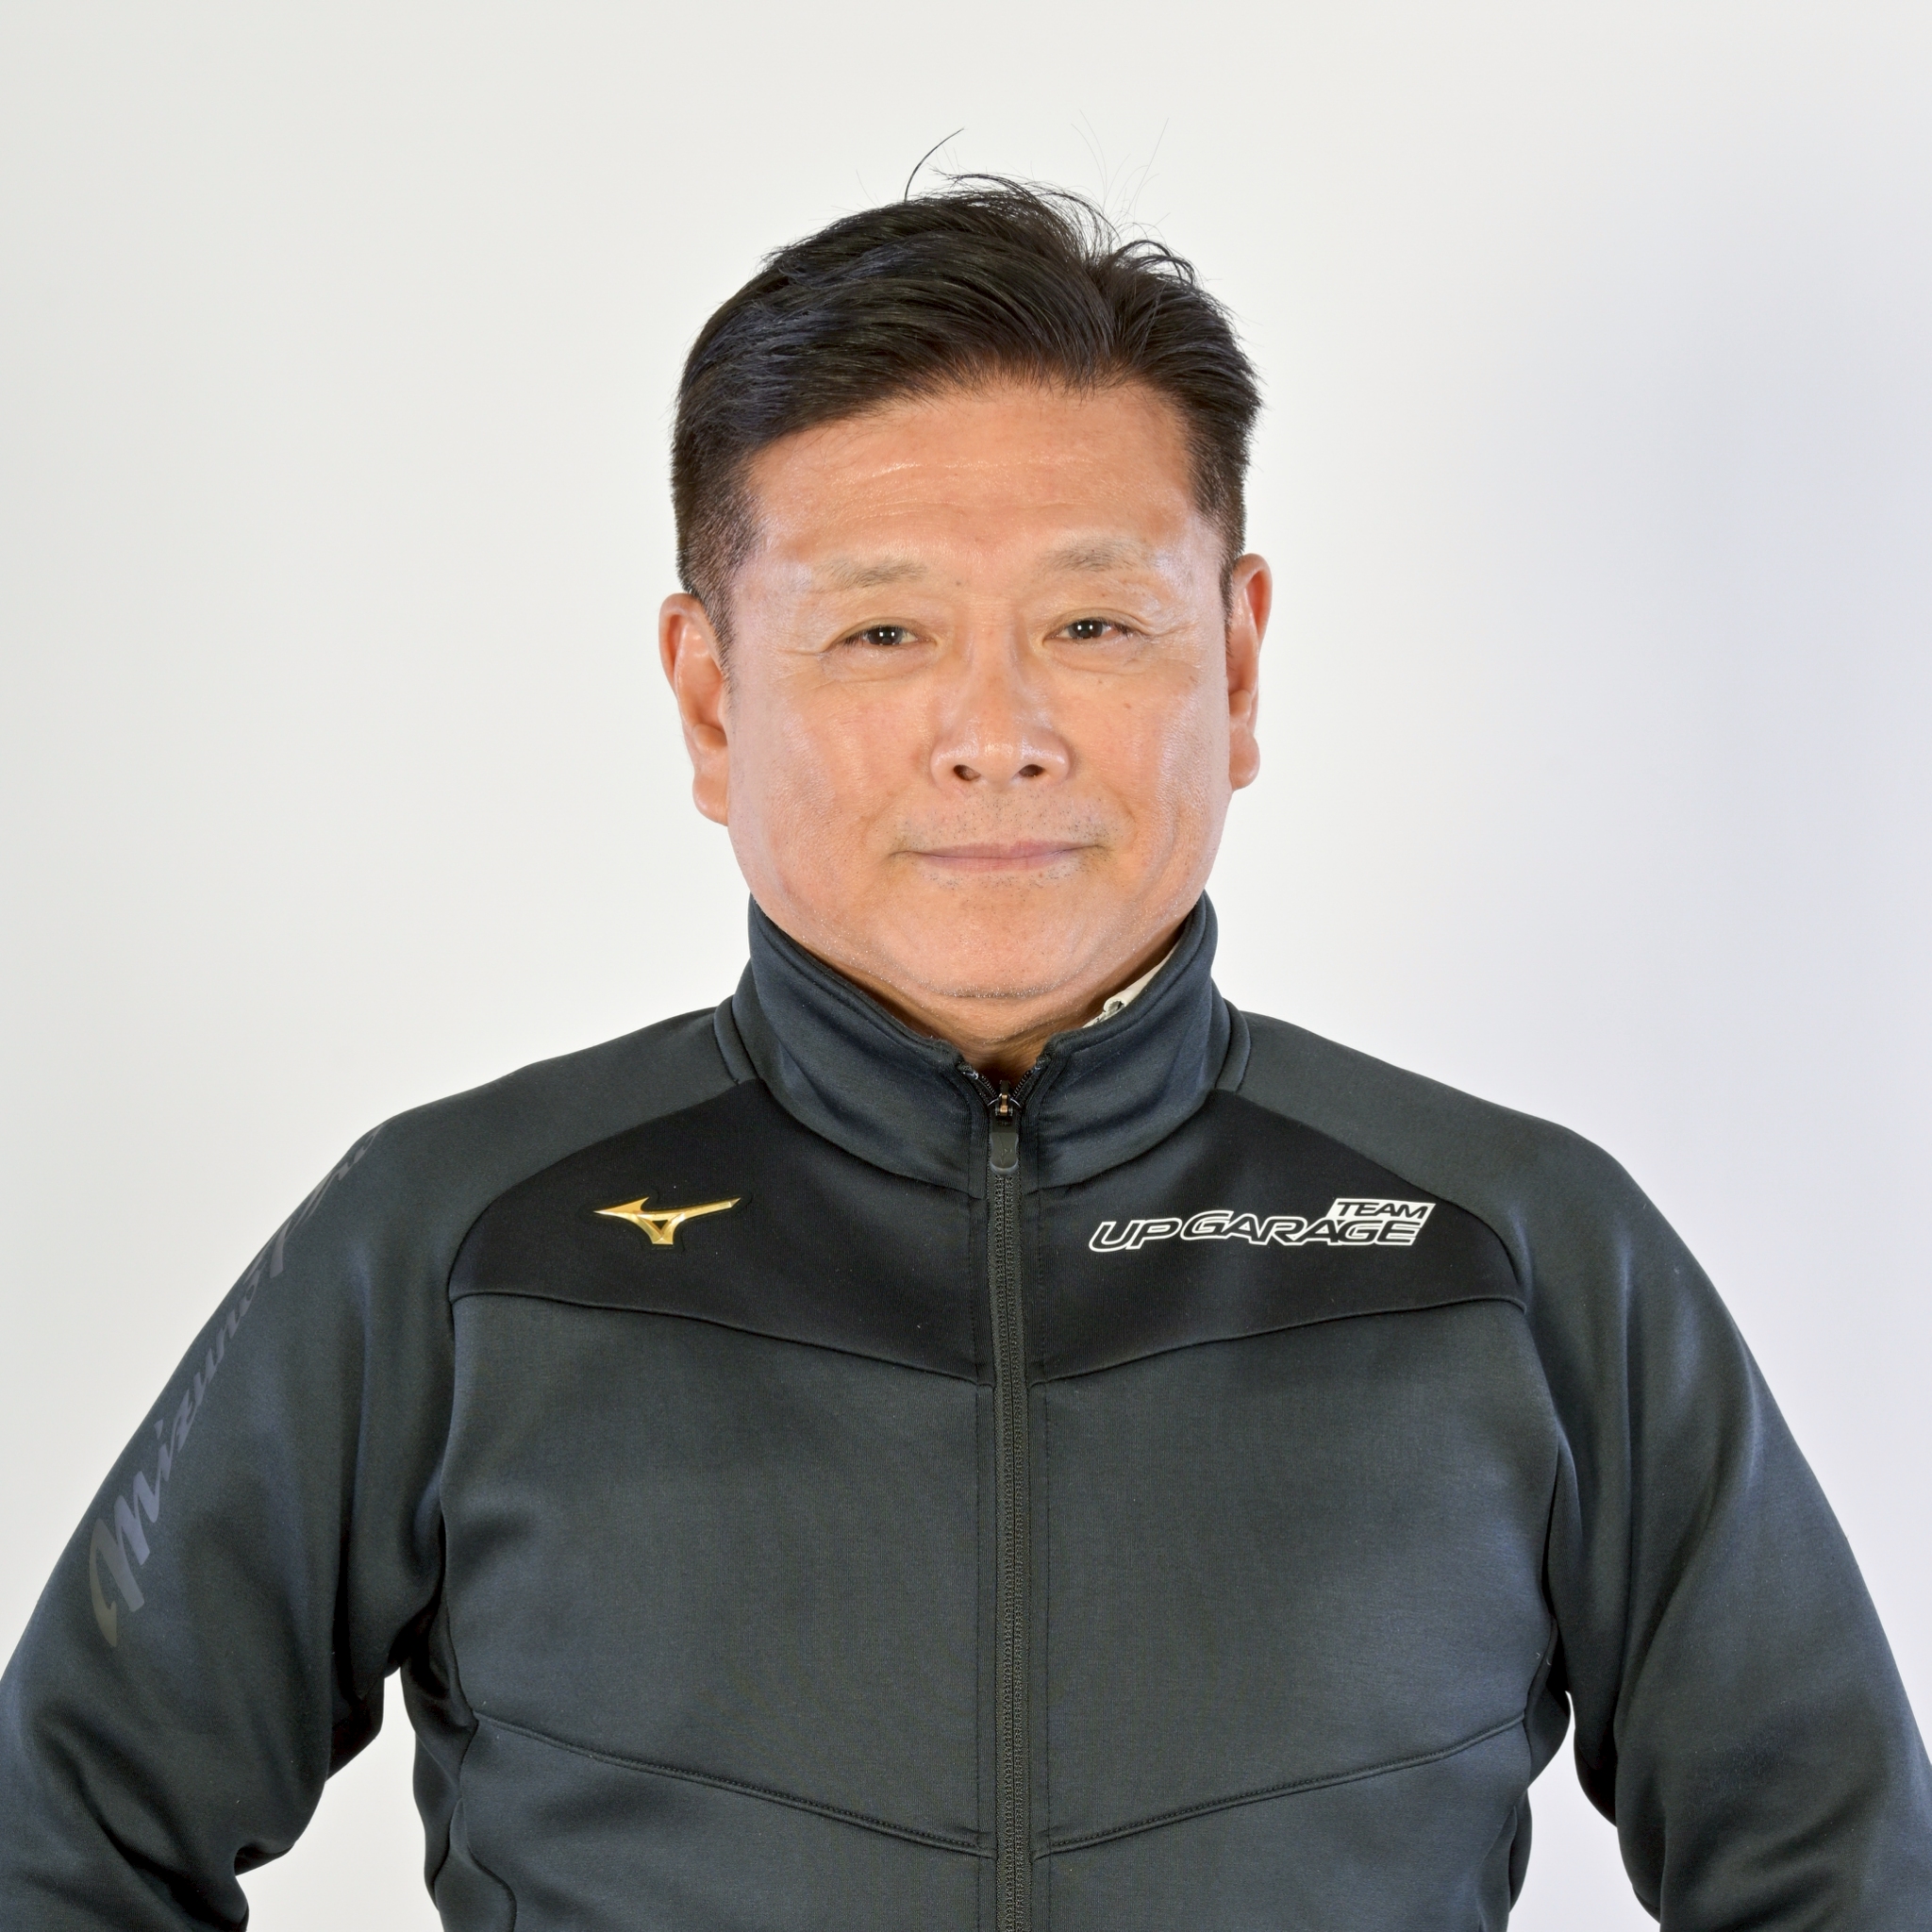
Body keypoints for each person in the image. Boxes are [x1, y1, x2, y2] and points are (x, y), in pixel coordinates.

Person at [2, 179, 1926, 1932]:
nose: (996, 733)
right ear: (709, 695)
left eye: (1092, 620)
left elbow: (1843, 1880)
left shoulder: (1513, 1250)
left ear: (1237, 663)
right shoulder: (455, 1243)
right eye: (881, 634)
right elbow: (57, 1845)